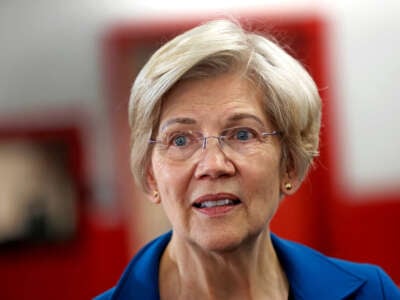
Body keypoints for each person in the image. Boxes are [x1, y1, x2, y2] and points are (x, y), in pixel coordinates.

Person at [95, 19, 400, 299]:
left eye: (242, 135)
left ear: (290, 164)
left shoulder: (373, 293)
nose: (213, 165)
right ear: (150, 175)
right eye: (180, 140)